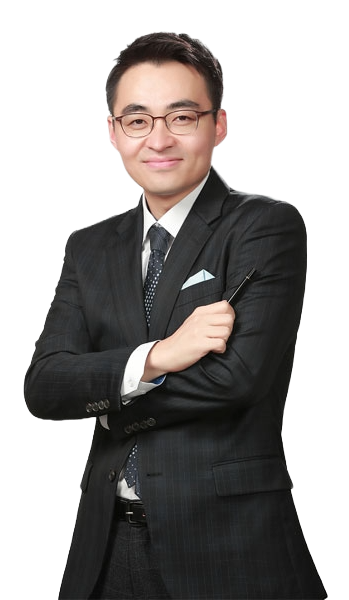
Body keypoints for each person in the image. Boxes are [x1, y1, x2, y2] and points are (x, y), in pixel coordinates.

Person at [23, 30, 328, 600]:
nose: (158, 139)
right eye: (137, 120)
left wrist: (108, 394)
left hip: (231, 543)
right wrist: (159, 357)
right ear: (113, 131)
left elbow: (238, 378)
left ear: (219, 125)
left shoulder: (264, 226)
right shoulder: (88, 247)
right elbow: (43, 388)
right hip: (105, 544)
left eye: (182, 117)